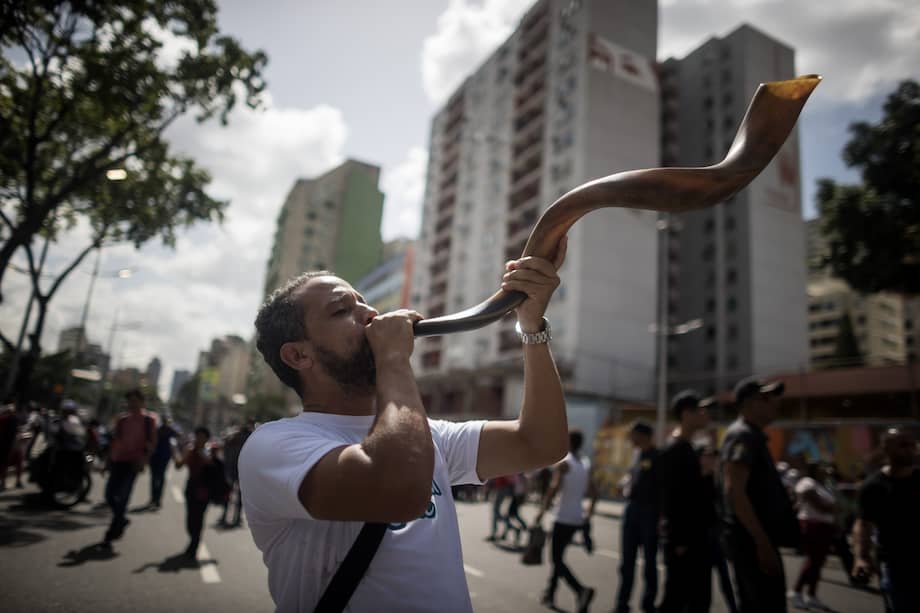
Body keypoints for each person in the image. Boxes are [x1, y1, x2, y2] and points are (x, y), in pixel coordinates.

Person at [239, 239, 570, 612]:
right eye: (341, 311)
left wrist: (531, 326)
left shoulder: (429, 435)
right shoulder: (275, 445)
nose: (370, 314)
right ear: (298, 355)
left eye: (363, 301)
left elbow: (541, 443)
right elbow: (395, 491)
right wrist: (393, 359)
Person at [721, 377, 799, 613]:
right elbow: (735, 491)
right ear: (748, 404)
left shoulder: (752, 435)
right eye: (764, 398)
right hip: (751, 542)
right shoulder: (742, 435)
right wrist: (762, 544)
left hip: (757, 540)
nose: (774, 403)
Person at [852, 428, 919, 613]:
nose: (911, 450)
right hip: (896, 566)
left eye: (913, 445)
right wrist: (861, 558)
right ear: (886, 449)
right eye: (903, 445)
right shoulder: (874, 486)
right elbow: (863, 524)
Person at [657, 390, 712, 613]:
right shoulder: (674, 450)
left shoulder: (692, 449)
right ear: (687, 414)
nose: (706, 414)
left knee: (697, 600)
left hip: (697, 537)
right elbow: (672, 499)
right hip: (684, 541)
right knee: (677, 599)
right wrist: (678, 541)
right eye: (701, 410)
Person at [535, 429, 597, 613]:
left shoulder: (564, 463)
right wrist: (588, 515)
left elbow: (553, 489)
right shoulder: (585, 463)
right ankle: (550, 594)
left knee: (555, 559)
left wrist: (541, 511)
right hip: (576, 518)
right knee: (559, 557)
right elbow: (594, 492)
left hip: (562, 517)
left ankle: (581, 590)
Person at [613, 421, 659, 613]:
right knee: (626, 563)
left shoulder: (659, 457)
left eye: (633, 434)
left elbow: (662, 489)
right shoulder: (636, 454)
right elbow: (631, 478)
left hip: (650, 513)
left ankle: (648, 603)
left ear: (643, 435)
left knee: (649, 562)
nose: (630, 438)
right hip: (632, 511)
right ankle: (622, 604)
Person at [102, 389, 157, 547]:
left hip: (133, 462)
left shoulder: (149, 420)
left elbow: (152, 443)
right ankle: (121, 519)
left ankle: (112, 531)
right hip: (117, 460)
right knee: (109, 494)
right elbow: (115, 441)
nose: (132, 404)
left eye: (135, 400)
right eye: (130, 401)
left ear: (141, 402)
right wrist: (107, 462)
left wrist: (144, 460)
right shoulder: (122, 419)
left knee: (123, 497)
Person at [789, 463, 836, 610]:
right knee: (812, 559)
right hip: (812, 525)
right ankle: (796, 592)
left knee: (818, 562)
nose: (826, 470)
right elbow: (819, 505)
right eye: (822, 467)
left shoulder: (822, 485)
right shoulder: (807, 482)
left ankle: (811, 594)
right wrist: (832, 508)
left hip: (824, 526)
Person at [699, 441, 739, 613]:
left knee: (725, 577)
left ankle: (733, 608)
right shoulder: (697, 480)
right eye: (707, 456)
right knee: (704, 581)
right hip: (702, 537)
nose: (711, 460)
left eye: (714, 457)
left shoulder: (719, 480)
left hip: (718, 535)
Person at [173, 426, 214, 560]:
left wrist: (200, 451)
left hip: (204, 489)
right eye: (197, 436)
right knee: (190, 518)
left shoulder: (209, 451)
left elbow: (210, 463)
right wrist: (174, 450)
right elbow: (179, 465)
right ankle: (193, 540)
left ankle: (194, 546)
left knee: (199, 518)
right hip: (191, 487)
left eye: (202, 437)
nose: (199, 439)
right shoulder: (190, 450)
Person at [219, 419, 253, 527]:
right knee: (232, 494)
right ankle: (231, 516)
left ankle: (233, 517)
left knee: (235, 496)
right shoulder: (244, 436)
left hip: (239, 470)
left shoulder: (238, 436)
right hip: (237, 469)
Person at [148, 416, 179, 509]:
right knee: (154, 478)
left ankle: (157, 499)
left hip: (164, 458)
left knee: (160, 478)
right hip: (155, 457)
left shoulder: (170, 430)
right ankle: (154, 498)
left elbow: (179, 436)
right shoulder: (158, 429)